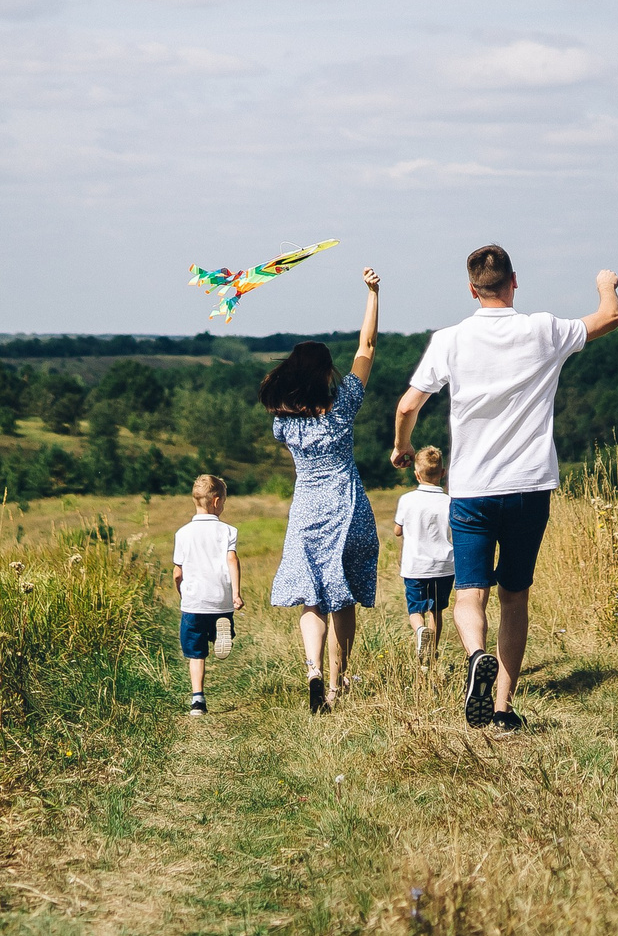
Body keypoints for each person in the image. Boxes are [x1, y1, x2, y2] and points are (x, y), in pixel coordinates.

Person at [391, 245, 618, 732]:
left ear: (472, 289)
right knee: (515, 596)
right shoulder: (543, 330)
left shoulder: (449, 339)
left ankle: (476, 655)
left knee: (470, 593)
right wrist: (606, 285)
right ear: (514, 281)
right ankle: (502, 708)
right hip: (529, 487)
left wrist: (402, 446)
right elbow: (609, 318)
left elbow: (408, 405)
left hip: (472, 489)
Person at [262, 265, 382, 714]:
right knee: (342, 596)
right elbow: (367, 346)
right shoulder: (343, 407)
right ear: (326, 373)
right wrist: (372, 294)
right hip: (347, 507)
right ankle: (335, 686)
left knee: (312, 596)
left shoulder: (284, 423)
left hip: (307, 509)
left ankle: (312, 667)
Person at [170, 473, 242, 715]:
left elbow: (177, 573)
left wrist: (181, 592)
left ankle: (198, 700)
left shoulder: (183, 533)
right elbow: (232, 560)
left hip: (194, 601)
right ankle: (220, 634)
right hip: (221, 600)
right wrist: (236, 594)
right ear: (216, 501)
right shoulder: (228, 531)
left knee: (196, 653)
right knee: (218, 623)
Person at [392, 445, 454, 664]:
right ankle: (431, 656)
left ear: (416, 474)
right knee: (436, 611)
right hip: (444, 566)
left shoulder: (407, 500)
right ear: (443, 473)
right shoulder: (450, 501)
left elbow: (397, 530)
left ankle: (420, 631)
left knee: (415, 610)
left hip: (416, 566)